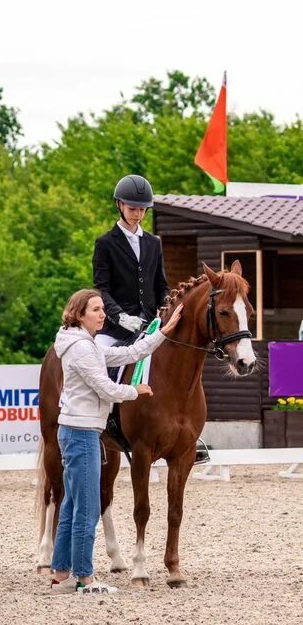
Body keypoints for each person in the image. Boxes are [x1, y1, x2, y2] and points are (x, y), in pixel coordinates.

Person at [49, 289, 182, 594]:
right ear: (79, 314)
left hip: (78, 431)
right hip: (82, 434)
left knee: (72, 504)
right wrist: (137, 391)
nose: (102, 314)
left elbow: (128, 354)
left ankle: (61, 574)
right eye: (95, 309)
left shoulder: (86, 344)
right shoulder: (82, 349)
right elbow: (106, 389)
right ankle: (85, 578)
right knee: (88, 507)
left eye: (101, 309)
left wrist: (164, 331)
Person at [93, 173, 209, 464]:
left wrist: (162, 311)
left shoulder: (154, 243)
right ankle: (101, 428)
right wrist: (119, 317)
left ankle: (187, 434)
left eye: (143, 209)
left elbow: (160, 285)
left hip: (150, 324)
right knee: (102, 363)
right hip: (117, 328)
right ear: (120, 205)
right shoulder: (106, 243)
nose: (138, 213)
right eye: (133, 208)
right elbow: (101, 287)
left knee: (176, 367)